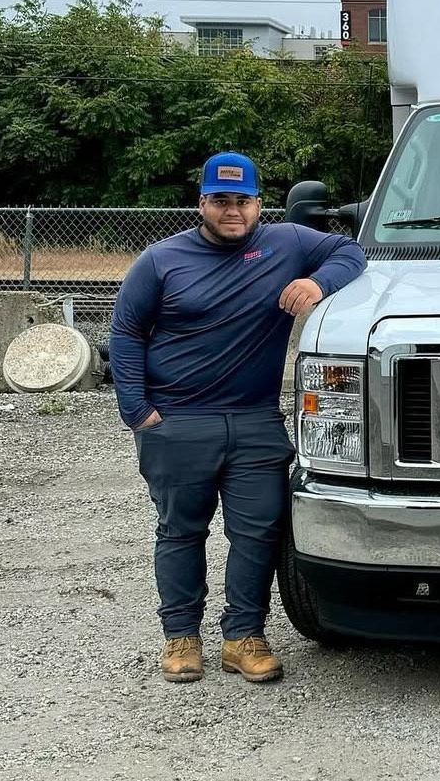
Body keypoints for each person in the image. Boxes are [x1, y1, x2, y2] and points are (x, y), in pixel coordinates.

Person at [109, 152, 366, 684]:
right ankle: (180, 637)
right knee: (181, 530)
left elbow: (350, 251)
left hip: (254, 421)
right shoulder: (160, 260)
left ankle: (242, 637)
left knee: (258, 532)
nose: (232, 211)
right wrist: (138, 412)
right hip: (177, 421)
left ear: (258, 203)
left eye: (242, 201)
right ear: (201, 203)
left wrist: (317, 285)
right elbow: (127, 333)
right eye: (220, 201)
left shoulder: (288, 242)